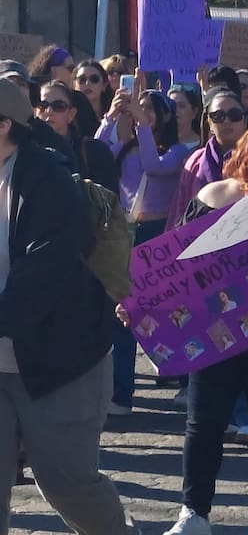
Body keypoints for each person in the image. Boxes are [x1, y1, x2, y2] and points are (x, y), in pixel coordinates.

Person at [0, 80, 139, 534]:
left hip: (60, 360)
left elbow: (43, 277)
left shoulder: (52, 181)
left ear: (4, 127)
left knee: (66, 484)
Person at [159, 124, 248, 535]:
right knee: (203, 423)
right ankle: (194, 511)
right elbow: (171, 269)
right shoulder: (212, 197)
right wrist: (141, 308)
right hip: (214, 331)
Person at [97, 87, 191, 415]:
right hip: (125, 233)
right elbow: (98, 149)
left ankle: (184, 380)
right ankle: (121, 394)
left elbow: (154, 165)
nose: (141, 114)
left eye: (149, 109)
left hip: (157, 234)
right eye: (137, 108)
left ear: (163, 116)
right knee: (124, 313)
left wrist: (142, 125)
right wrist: (111, 116)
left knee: (166, 311)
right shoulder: (127, 149)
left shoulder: (177, 152)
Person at [165, 89, 247, 232]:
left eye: (234, 115)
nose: (227, 121)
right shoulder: (195, 160)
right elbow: (180, 209)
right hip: (199, 242)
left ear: (245, 120)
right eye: (218, 116)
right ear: (209, 122)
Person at [34, 81, 118, 193]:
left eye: (59, 106)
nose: (49, 112)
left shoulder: (93, 150)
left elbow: (110, 199)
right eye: (42, 106)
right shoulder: (25, 150)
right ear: (35, 111)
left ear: (71, 114)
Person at [168, 83, 204, 150]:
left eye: (181, 106)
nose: (176, 110)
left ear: (194, 112)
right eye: (172, 105)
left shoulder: (203, 145)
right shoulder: (159, 145)